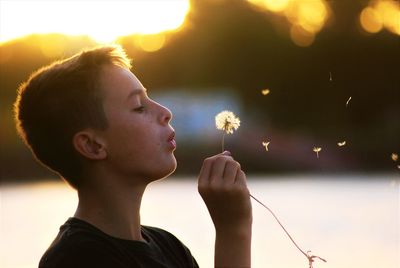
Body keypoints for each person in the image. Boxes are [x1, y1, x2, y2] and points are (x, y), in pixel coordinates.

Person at [14, 45, 252, 268]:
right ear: (93, 145)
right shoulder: (77, 259)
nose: (166, 112)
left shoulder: (170, 247)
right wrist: (232, 232)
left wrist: (233, 228)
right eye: (139, 107)